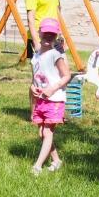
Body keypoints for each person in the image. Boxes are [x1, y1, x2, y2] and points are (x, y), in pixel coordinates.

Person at [30, 18, 71, 175]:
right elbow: (34, 79)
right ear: (39, 33)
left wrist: (52, 89)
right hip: (41, 100)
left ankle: (37, 166)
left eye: (52, 34)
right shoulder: (35, 56)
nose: (48, 36)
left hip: (55, 100)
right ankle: (56, 160)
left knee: (47, 133)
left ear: (56, 36)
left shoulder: (55, 55)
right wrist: (33, 88)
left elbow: (67, 75)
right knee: (41, 133)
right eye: (45, 32)